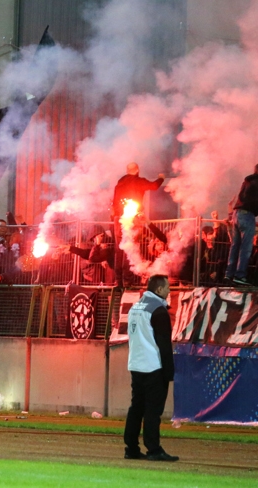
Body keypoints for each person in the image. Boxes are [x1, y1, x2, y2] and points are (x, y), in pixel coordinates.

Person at [124, 274, 178, 462]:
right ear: (159, 290)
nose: (169, 290)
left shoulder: (135, 307)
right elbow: (164, 344)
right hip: (153, 367)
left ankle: (131, 448)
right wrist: (169, 372)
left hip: (135, 364)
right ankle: (153, 449)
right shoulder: (159, 311)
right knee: (153, 411)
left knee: (136, 407)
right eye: (167, 287)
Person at [112, 162, 165, 288]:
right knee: (129, 249)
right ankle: (127, 282)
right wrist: (161, 178)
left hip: (118, 220)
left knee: (119, 250)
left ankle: (118, 281)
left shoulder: (119, 184)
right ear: (137, 170)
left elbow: (114, 203)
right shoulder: (138, 181)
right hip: (132, 219)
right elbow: (154, 186)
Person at [225, 164, 258, 286]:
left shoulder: (248, 180)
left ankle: (229, 274)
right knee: (246, 247)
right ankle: (240, 275)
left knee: (235, 246)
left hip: (237, 213)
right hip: (247, 215)